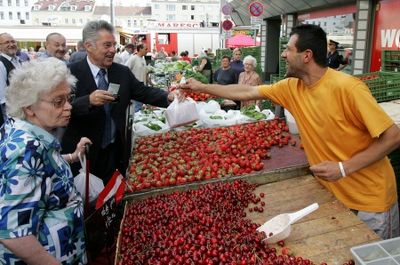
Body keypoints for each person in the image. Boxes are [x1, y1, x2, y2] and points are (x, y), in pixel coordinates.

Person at [182, 24, 400, 239]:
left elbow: (393, 136)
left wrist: (344, 168)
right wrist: (203, 87)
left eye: (288, 49)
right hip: (334, 195)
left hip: (371, 202)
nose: (284, 54)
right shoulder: (291, 88)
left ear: (307, 55)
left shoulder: (348, 88)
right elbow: (247, 91)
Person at [61, 20, 183, 184]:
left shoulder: (121, 72)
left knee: (112, 196)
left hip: (114, 152)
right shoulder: (70, 73)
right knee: (85, 201)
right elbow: (59, 109)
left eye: (113, 45)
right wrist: (88, 101)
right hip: (81, 155)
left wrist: (168, 96)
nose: (112, 50)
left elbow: (143, 92)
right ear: (88, 46)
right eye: (107, 45)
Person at [0, 57, 92, 264]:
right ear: (29, 107)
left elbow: (41, 173)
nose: (69, 107)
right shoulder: (25, 151)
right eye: (58, 102)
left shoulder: (31, 134)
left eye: (69, 98)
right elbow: (13, 233)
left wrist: (72, 156)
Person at [0, 33, 21, 124]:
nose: (11, 44)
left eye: (13, 41)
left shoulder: (18, 60)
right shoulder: (1, 63)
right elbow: (3, 94)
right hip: (11, 110)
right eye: (6, 42)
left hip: (21, 105)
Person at [125, 43, 148, 112]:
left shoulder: (143, 59)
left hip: (142, 87)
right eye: (145, 49)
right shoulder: (133, 58)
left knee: (139, 107)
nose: (147, 50)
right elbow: (125, 70)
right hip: (135, 88)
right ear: (140, 49)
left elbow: (144, 72)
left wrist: (149, 82)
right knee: (136, 108)